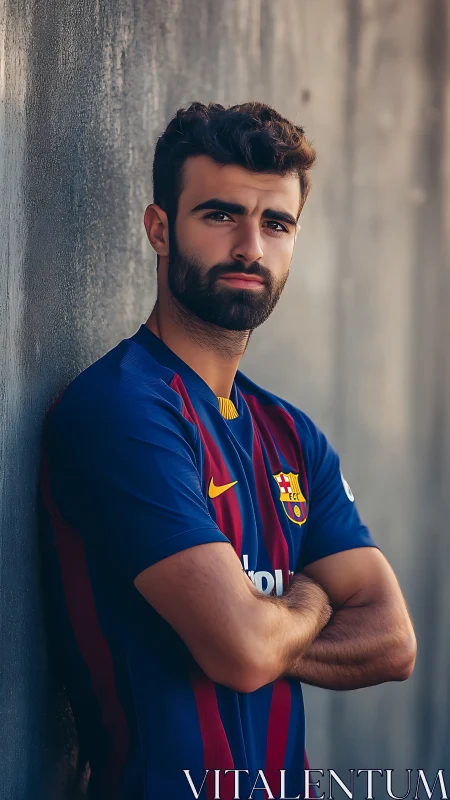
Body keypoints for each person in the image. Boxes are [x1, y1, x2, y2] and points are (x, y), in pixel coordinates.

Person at [39, 101, 417, 800]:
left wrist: (263, 625)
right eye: (220, 216)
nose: (251, 246)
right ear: (160, 229)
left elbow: (392, 640)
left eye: (276, 223)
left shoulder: (291, 435)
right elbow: (241, 654)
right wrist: (308, 600)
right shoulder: (122, 410)